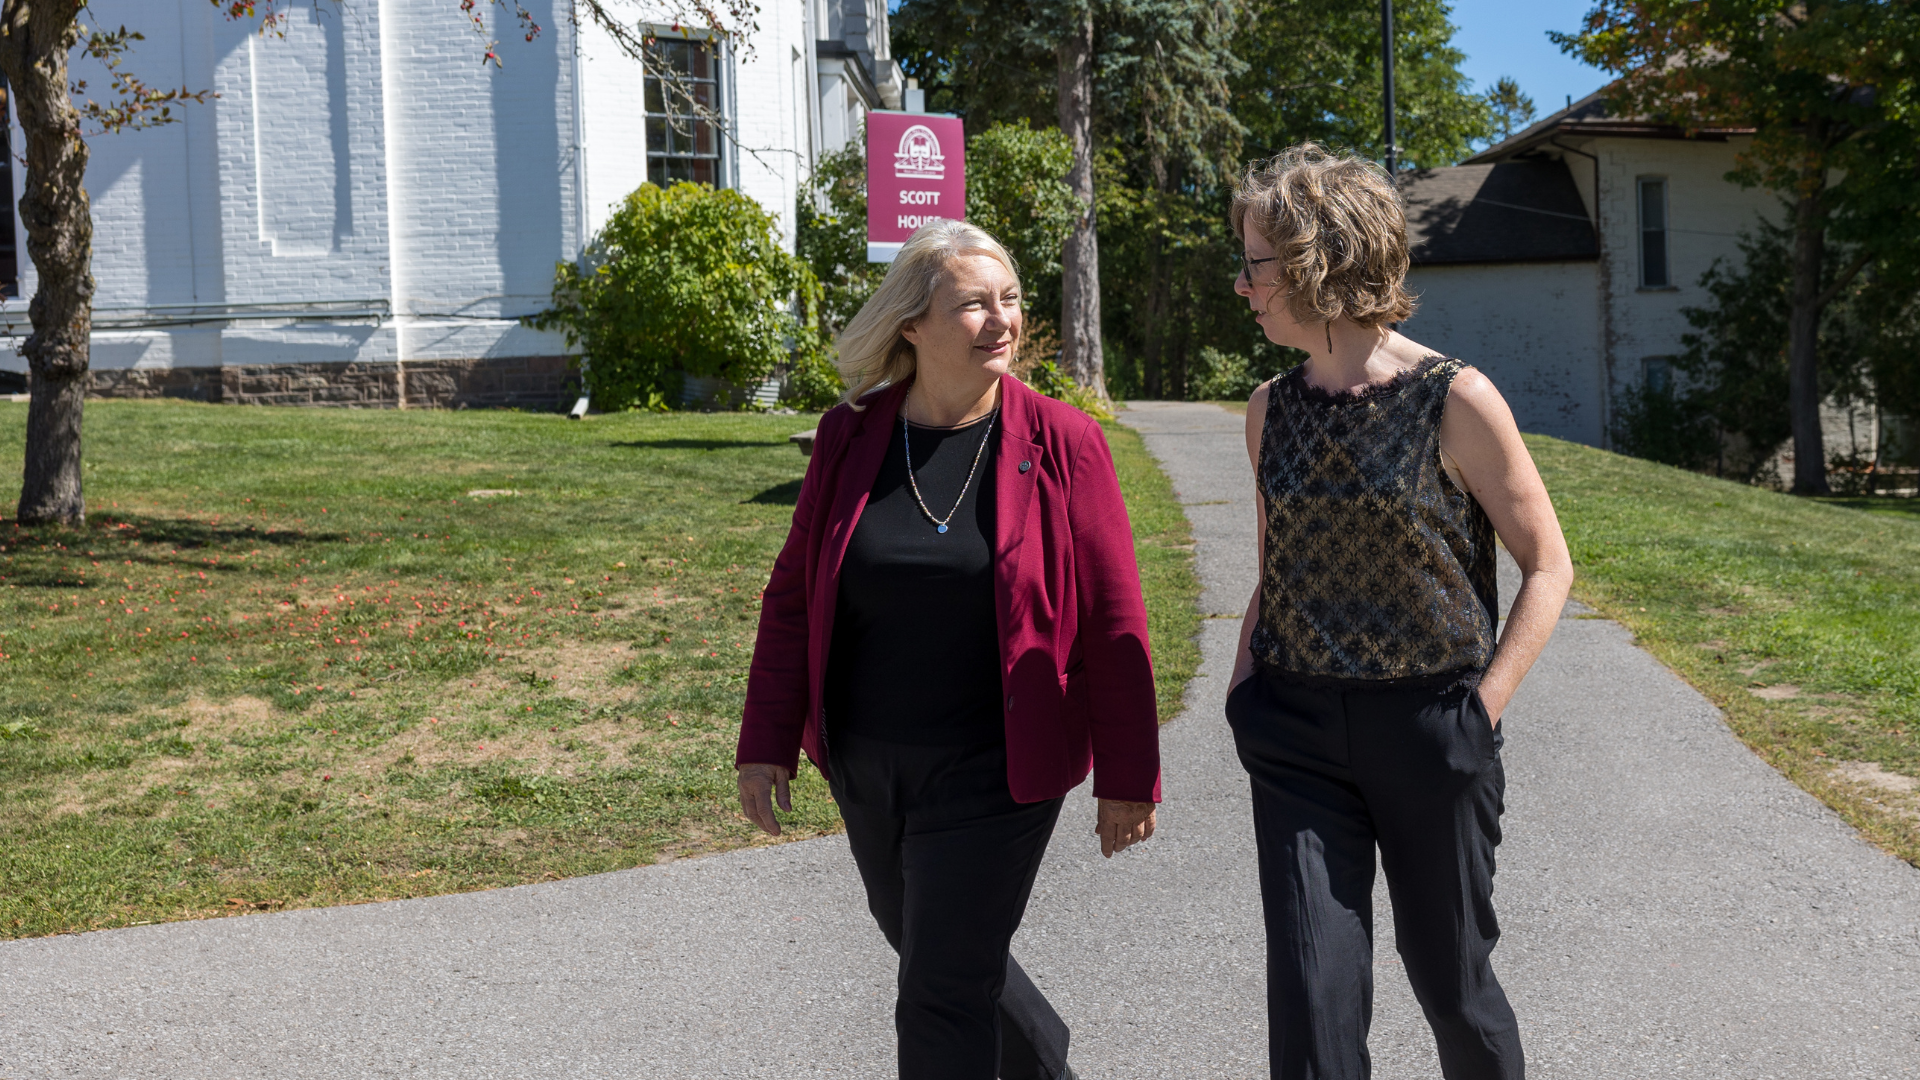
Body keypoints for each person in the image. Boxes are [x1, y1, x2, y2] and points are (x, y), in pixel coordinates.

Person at [735, 219, 1162, 1080]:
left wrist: (1128, 777)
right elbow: (792, 600)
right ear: (912, 325)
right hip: (868, 763)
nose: (1000, 320)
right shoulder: (850, 434)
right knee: (936, 952)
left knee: (938, 988)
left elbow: (1115, 620)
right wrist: (766, 743)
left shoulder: (1064, 443)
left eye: (1009, 300)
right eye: (973, 304)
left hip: (994, 769)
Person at [1224, 144, 1574, 1080]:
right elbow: (1276, 565)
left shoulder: (1455, 399)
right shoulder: (1269, 408)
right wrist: (1244, 692)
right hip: (1295, 732)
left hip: (1431, 729)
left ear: (1314, 260)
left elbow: (1548, 566)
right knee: (1311, 1005)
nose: (1243, 284)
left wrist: (1480, 712)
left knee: (1453, 988)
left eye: (1255, 263)